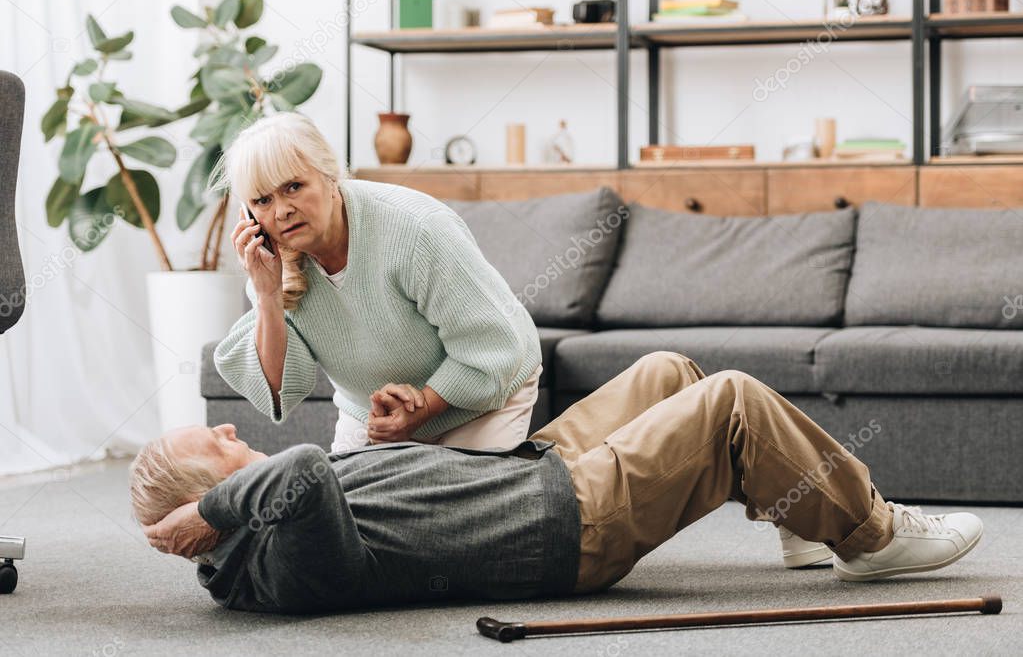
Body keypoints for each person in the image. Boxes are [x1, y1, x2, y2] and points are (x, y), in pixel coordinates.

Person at [132, 352, 983, 614]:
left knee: (666, 370)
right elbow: (310, 472)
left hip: (531, 473)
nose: (229, 428)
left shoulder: (269, 524)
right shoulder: (275, 568)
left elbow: (352, 480)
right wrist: (211, 506)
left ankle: (800, 506)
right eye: (210, 442)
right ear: (201, 499)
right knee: (730, 399)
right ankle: (868, 535)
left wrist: (404, 433)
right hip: (565, 525)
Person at [210, 112, 542, 453]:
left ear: (329, 175)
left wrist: (423, 407)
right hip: (374, 415)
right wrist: (267, 295)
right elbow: (281, 388)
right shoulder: (272, 263)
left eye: (293, 187)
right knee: (345, 504)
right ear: (249, 215)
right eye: (262, 201)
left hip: (484, 392)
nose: (281, 212)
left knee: (462, 504)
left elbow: (493, 347)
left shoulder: (418, 229)